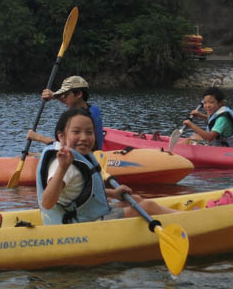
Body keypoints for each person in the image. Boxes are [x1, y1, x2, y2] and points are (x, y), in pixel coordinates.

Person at [36, 108, 175, 225]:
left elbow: (77, 192)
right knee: (147, 206)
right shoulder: (65, 165)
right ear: (61, 136)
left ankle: (182, 216)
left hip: (87, 216)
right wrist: (62, 169)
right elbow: (48, 202)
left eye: (89, 132)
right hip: (79, 226)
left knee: (136, 200)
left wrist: (112, 193)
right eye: (76, 132)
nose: (84, 137)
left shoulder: (77, 157)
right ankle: (190, 219)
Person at [26, 75, 105, 150]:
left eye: (65, 95)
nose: (63, 99)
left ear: (78, 94)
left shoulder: (80, 120)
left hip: (84, 156)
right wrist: (54, 95)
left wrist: (37, 137)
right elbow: (72, 102)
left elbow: (61, 146)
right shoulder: (94, 109)